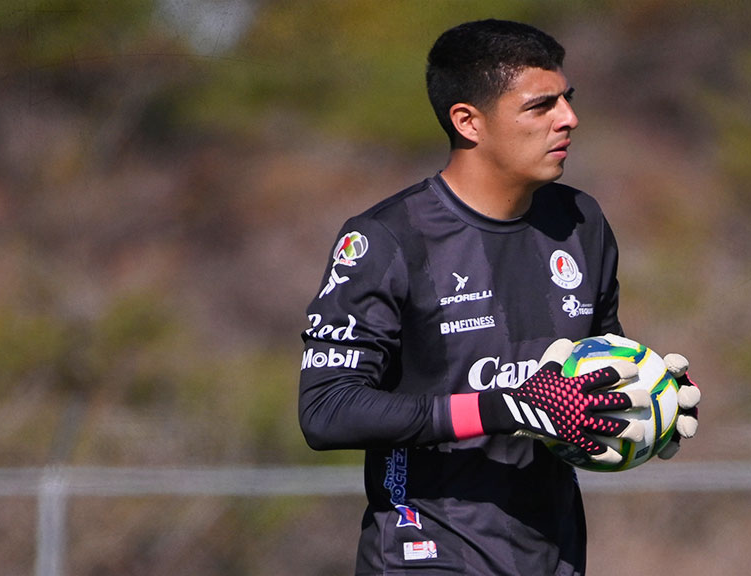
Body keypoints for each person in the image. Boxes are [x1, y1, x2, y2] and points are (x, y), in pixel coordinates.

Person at [298, 19, 700, 575]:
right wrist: (506, 407)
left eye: (568, 99)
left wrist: (648, 400)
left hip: (551, 552)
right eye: (541, 107)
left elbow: (592, 371)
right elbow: (327, 411)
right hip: (426, 552)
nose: (569, 119)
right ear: (469, 121)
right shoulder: (385, 240)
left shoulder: (581, 223)